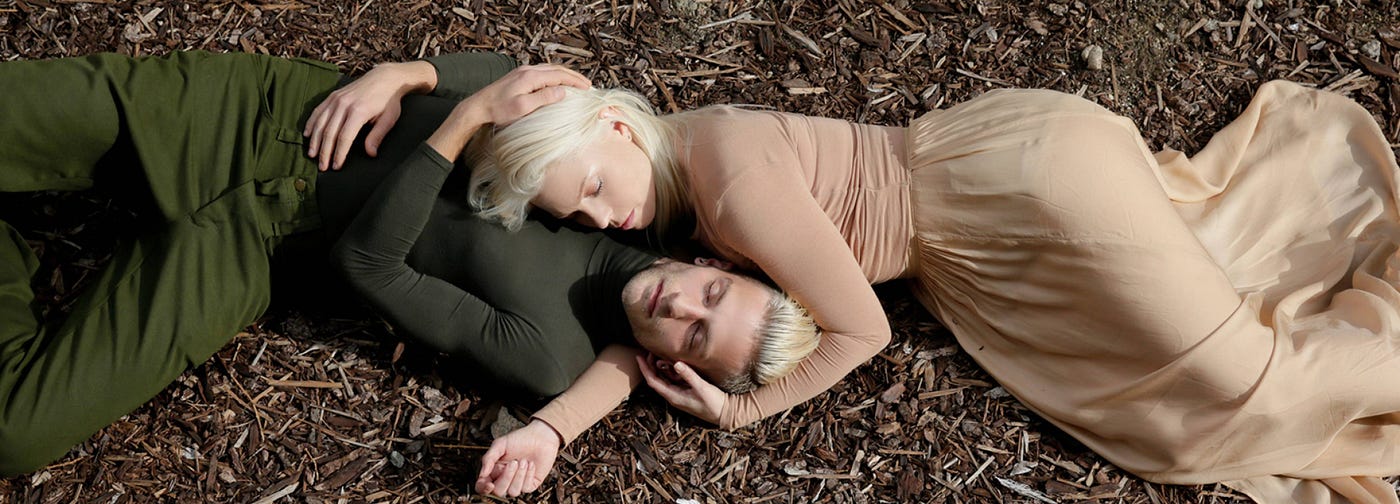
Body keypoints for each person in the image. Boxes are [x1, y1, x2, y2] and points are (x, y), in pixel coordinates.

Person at [458, 79, 1400, 503]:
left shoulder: (729, 186)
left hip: (1014, 198)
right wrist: (424, 85)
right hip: (979, 217)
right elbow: (643, 341)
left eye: (595, 186)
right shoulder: (671, 168)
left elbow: (862, 331)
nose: (603, 217)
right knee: (1184, 360)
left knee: (1238, 375)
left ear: (618, 128)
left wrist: (746, 414)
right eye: (578, 212)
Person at [0, 49, 821, 484]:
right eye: (713, 291)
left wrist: (459, 125)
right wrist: (413, 74)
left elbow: (371, 266)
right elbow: (526, 79)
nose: (682, 306)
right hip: (257, 114)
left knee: (16, 430)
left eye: (696, 335)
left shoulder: (552, 354)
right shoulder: (644, 199)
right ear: (711, 260)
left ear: (671, 364)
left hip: (257, 244)